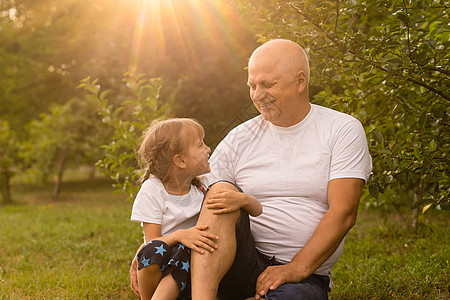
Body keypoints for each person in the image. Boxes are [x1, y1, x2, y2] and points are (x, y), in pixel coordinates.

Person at [131, 38, 372, 299]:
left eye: (267, 84)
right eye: (253, 86)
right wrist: (153, 247)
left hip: (302, 273)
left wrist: (295, 268)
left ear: (301, 82)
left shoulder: (341, 129)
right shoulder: (241, 137)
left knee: (297, 297)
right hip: (235, 263)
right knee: (221, 190)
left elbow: (344, 211)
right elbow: (182, 183)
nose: (258, 94)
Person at [130, 118, 262, 300]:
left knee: (188, 250)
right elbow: (153, 243)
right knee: (160, 250)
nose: (208, 149)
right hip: (162, 267)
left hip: (196, 269)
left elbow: (257, 210)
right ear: (181, 160)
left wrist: (242, 199)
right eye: (200, 145)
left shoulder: (204, 184)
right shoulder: (153, 190)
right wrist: (180, 236)